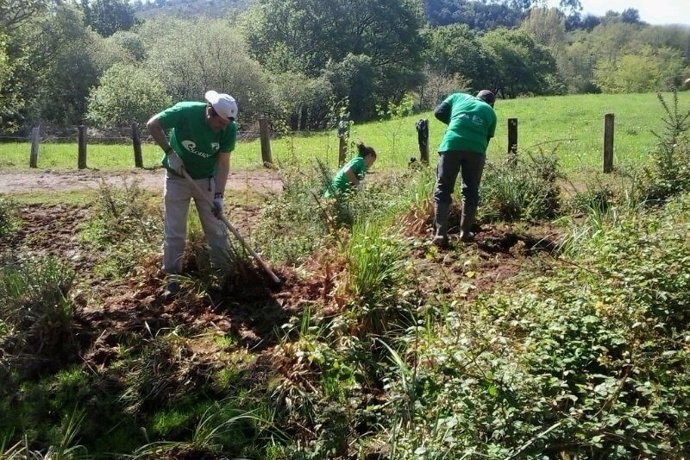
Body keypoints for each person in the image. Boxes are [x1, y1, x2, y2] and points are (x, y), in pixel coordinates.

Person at [147, 90, 238, 297]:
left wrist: (219, 196)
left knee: (216, 228)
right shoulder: (185, 111)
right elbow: (153, 124)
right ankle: (173, 278)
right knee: (175, 230)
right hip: (177, 178)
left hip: (207, 180)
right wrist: (170, 153)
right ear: (210, 111)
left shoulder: (229, 128)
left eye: (226, 123)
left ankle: (224, 274)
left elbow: (223, 164)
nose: (223, 127)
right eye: (220, 122)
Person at [431, 89, 497, 247]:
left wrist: (456, 122)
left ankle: (440, 234)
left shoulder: (458, 97)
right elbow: (486, 139)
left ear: (476, 96)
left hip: (451, 145)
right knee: (471, 189)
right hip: (476, 150)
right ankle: (465, 233)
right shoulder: (491, 113)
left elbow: (438, 112)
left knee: (443, 188)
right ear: (492, 104)